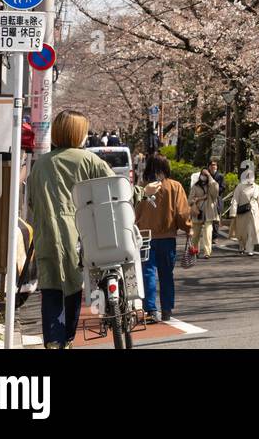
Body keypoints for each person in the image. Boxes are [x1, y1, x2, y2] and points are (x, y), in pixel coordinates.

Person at [25, 109, 115, 348]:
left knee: (51, 287)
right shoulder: (89, 160)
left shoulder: (40, 164)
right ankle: (67, 339)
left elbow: (31, 202)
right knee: (74, 288)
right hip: (79, 234)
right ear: (79, 133)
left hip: (46, 234)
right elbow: (113, 191)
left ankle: (53, 341)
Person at [135, 154, 192, 323]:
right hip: (167, 237)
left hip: (145, 237)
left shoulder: (142, 187)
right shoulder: (175, 187)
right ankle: (167, 309)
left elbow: (134, 212)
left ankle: (151, 309)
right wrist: (188, 228)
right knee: (166, 274)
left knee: (148, 273)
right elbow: (182, 213)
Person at [229, 164, 259, 256]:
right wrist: (233, 212)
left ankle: (250, 249)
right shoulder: (240, 187)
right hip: (242, 213)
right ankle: (241, 245)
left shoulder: (257, 188)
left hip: (254, 213)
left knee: (251, 231)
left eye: (251, 175)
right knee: (242, 231)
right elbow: (235, 200)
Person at [188, 167, 220, 258]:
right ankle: (195, 251)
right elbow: (189, 200)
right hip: (197, 212)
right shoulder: (195, 186)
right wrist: (197, 200)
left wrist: (210, 176)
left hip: (209, 213)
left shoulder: (211, 185)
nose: (204, 176)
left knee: (208, 233)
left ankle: (207, 252)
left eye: (206, 175)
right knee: (196, 235)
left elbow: (216, 191)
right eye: (203, 174)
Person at [208, 159, 225, 241]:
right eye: (212, 165)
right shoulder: (206, 176)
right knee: (208, 219)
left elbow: (223, 187)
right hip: (207, 200)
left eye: (215, 165)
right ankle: (208, 236)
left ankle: (214, 237)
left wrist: (215, 191)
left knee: (216, 219)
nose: (213, 166)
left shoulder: (220, 176)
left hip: (217, 200)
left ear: (217, 166)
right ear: (209, 166)